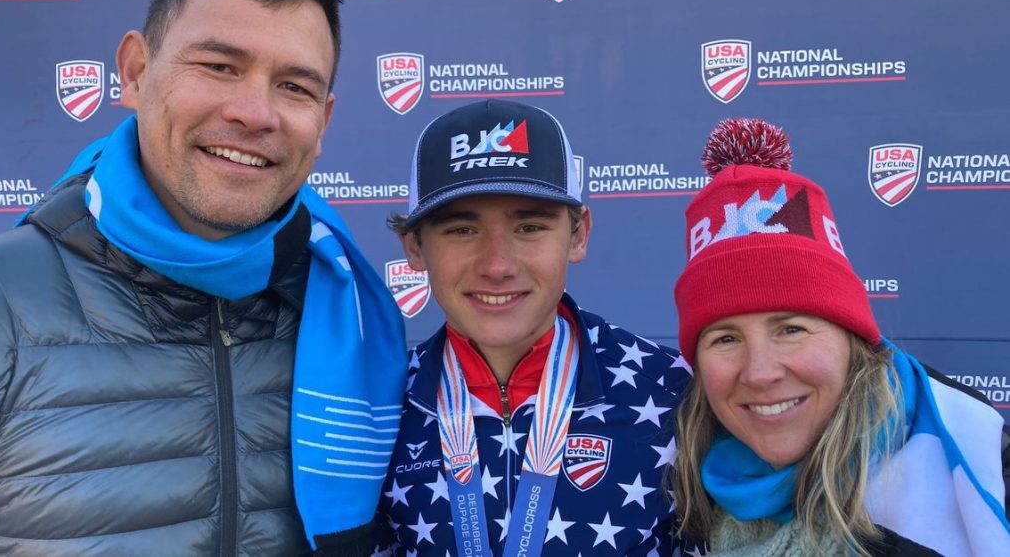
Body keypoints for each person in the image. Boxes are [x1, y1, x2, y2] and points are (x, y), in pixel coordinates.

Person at [0, 0, 407, 554]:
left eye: (294, 87)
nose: (254, 112)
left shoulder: (359, 324)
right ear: (136, 72)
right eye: (219, 66)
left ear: (323, 122)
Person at [670, 118, 1010, 556]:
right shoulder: (681, 489)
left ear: (853, 340)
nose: (759, 372)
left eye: (791, 329)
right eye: (725, 339)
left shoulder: (985, 468)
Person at [373, 99, 695, 556]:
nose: (498, 265)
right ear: (415, 248)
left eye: (529, 227)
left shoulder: (670, 390)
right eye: (462, 230)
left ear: (578, 234)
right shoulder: (377, 407)